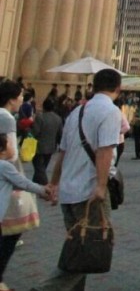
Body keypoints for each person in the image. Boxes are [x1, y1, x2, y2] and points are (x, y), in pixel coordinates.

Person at [42, 68, 124, 291]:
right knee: (89, 250)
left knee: (78, 245)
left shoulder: (77, 112)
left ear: (94, 86)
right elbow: (105, 151)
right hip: (89, 192)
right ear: (118, 88)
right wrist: (101, 186)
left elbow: (63, 152)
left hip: (69, 190)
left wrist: (54, 183)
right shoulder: (111, 111)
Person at [0, 133, 55, 290]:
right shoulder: (5, 166)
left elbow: (15, 184)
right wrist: (44, 190)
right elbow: (23, 183)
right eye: (10, 144)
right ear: (2, 149)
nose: (13, 147)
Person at [30, 96, 63, 185]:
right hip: (51, 147)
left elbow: (35, 132)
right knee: (42, 168)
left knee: (39, 169)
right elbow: (60, 134)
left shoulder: (40, 117)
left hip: (39, 147)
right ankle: (35, 184)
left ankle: (46, 185)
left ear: (43, 106)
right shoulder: (58, 118)